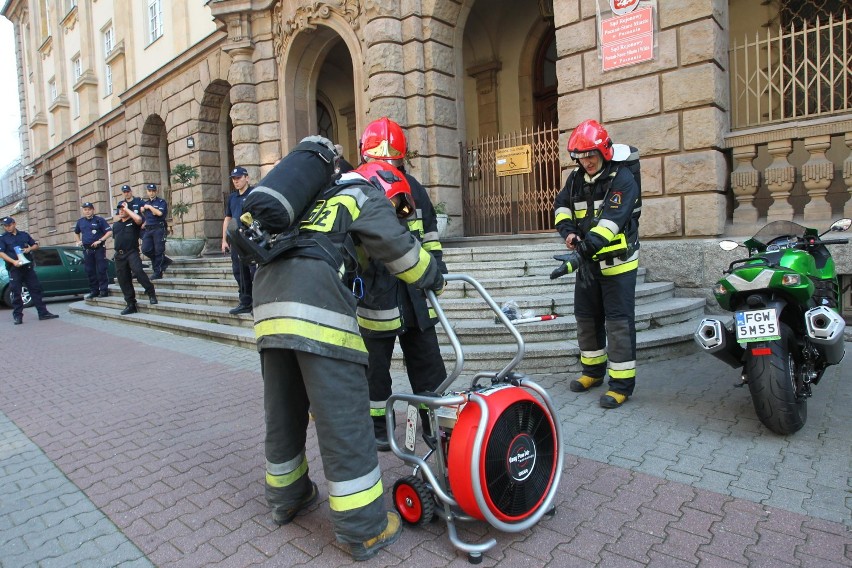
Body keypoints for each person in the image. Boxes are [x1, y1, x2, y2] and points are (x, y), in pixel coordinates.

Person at [242, 137, 444, 561]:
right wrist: (434, 277)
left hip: (268, 303)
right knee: (344, 417)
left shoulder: (315, 198)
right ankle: (364, 529)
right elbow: (406, 257)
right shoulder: (364, 195)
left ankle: (287, 498)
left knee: (284, 408)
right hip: (314, 305)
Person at [356, 117, 447, 450]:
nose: (386, 167)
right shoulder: (360, 188)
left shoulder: (415, 188)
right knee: (374, 370)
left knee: (429, 368)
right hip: (378, 294)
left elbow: (431, 237)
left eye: (391, 162)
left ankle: (433, 423)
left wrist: (438, 270)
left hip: (417, 294)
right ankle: (379, 427)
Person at [553, 119, 640, 409]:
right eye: (581, 156)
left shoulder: (622, 179)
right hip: (589, 263)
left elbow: (609, 225)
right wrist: (569, 233)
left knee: (617, 324)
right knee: (586, 319)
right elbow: (561, 207)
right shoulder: (576, 178)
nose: (586, 161)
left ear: (603, 152)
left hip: (618, 264)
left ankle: (622, 385)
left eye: (591, 155)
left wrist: (579, 255)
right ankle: (592, 372)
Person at [0, 216, 59, 324]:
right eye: (5, 226)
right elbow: (1, 253)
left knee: (36, 290)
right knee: (16, 292)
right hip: (15, 268)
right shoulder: (3, 238)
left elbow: (36, 245)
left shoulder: (24, 235)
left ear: (14, 224)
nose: (7, 228)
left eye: (9, 225)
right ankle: (18, 316)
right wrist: (13, 261)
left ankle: (43, 313)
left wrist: (29, 249)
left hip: (27, 267)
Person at [221, 166, 256, 315]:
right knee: (239, 272)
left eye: (239, 178)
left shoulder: (254, 194)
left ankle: (258, 303)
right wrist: (224, 240)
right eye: (234, 179)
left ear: (247, 178)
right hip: (236, 240)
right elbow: (228, 218)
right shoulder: (232, 198)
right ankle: (245, 302)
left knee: (254, 272)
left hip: (250, 238)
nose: (236, 181)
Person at [112, 202, 158, 315]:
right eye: (120, 209)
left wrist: (127, 209)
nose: (122, 211)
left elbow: (138, 219)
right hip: (119, 255)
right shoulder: (116, 225)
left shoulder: (133, 222)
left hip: (131, 252)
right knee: (123, 279)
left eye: (124, 209)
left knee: (138, 271)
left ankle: (151, 292)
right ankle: (131, 304)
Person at [74, 202, 112, 299]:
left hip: (98, 248)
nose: (87, 211)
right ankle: (94, 291)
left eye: (89, 209)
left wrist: (100, 240)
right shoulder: (80, 221)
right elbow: (76, 232)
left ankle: (103, 290)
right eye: (85, 210)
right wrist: (78, 241)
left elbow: (109, 231)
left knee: (101, 269)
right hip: (87, 250)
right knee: (90, 271)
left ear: (93, 210)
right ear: (83, 211)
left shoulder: (99, 220)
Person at [140, 183, 172, 279]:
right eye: (149, 191)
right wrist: (144, 223)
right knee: (145, 249)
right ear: (147, 192)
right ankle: (165, 261)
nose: (151, 193)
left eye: (153, 191)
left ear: (156, 191)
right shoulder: (145, 203)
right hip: (149, 229)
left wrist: (149, 207)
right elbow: (147, 217)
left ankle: (158, 272)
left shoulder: (161, 202)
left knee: (159, 251)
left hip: (159, 228)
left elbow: (159, 213)